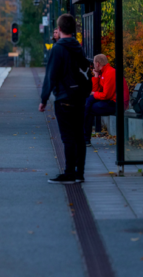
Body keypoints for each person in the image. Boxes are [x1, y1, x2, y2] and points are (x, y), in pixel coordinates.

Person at [39, 14, 92, 184]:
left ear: (59, 29)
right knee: (79, 136)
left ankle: (69, 173)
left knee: (68, 138)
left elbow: (51, 76)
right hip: (80, 99)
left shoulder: (58, 49)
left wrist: (44, 99)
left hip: (64, 99)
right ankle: (79, 173)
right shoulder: (78, 47)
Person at [83, 54, 117, 146]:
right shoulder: (103, 72)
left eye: (94, 63)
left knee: (88, 107)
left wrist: (94, 94)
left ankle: (85, 139)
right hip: (108, 101)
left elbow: (106, 95)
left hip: (114, 103)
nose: (93, 66)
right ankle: (85, 139)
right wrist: (96, 76)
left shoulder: (110, 73)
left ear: (97, 64)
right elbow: (96, 90)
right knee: (88, 103)